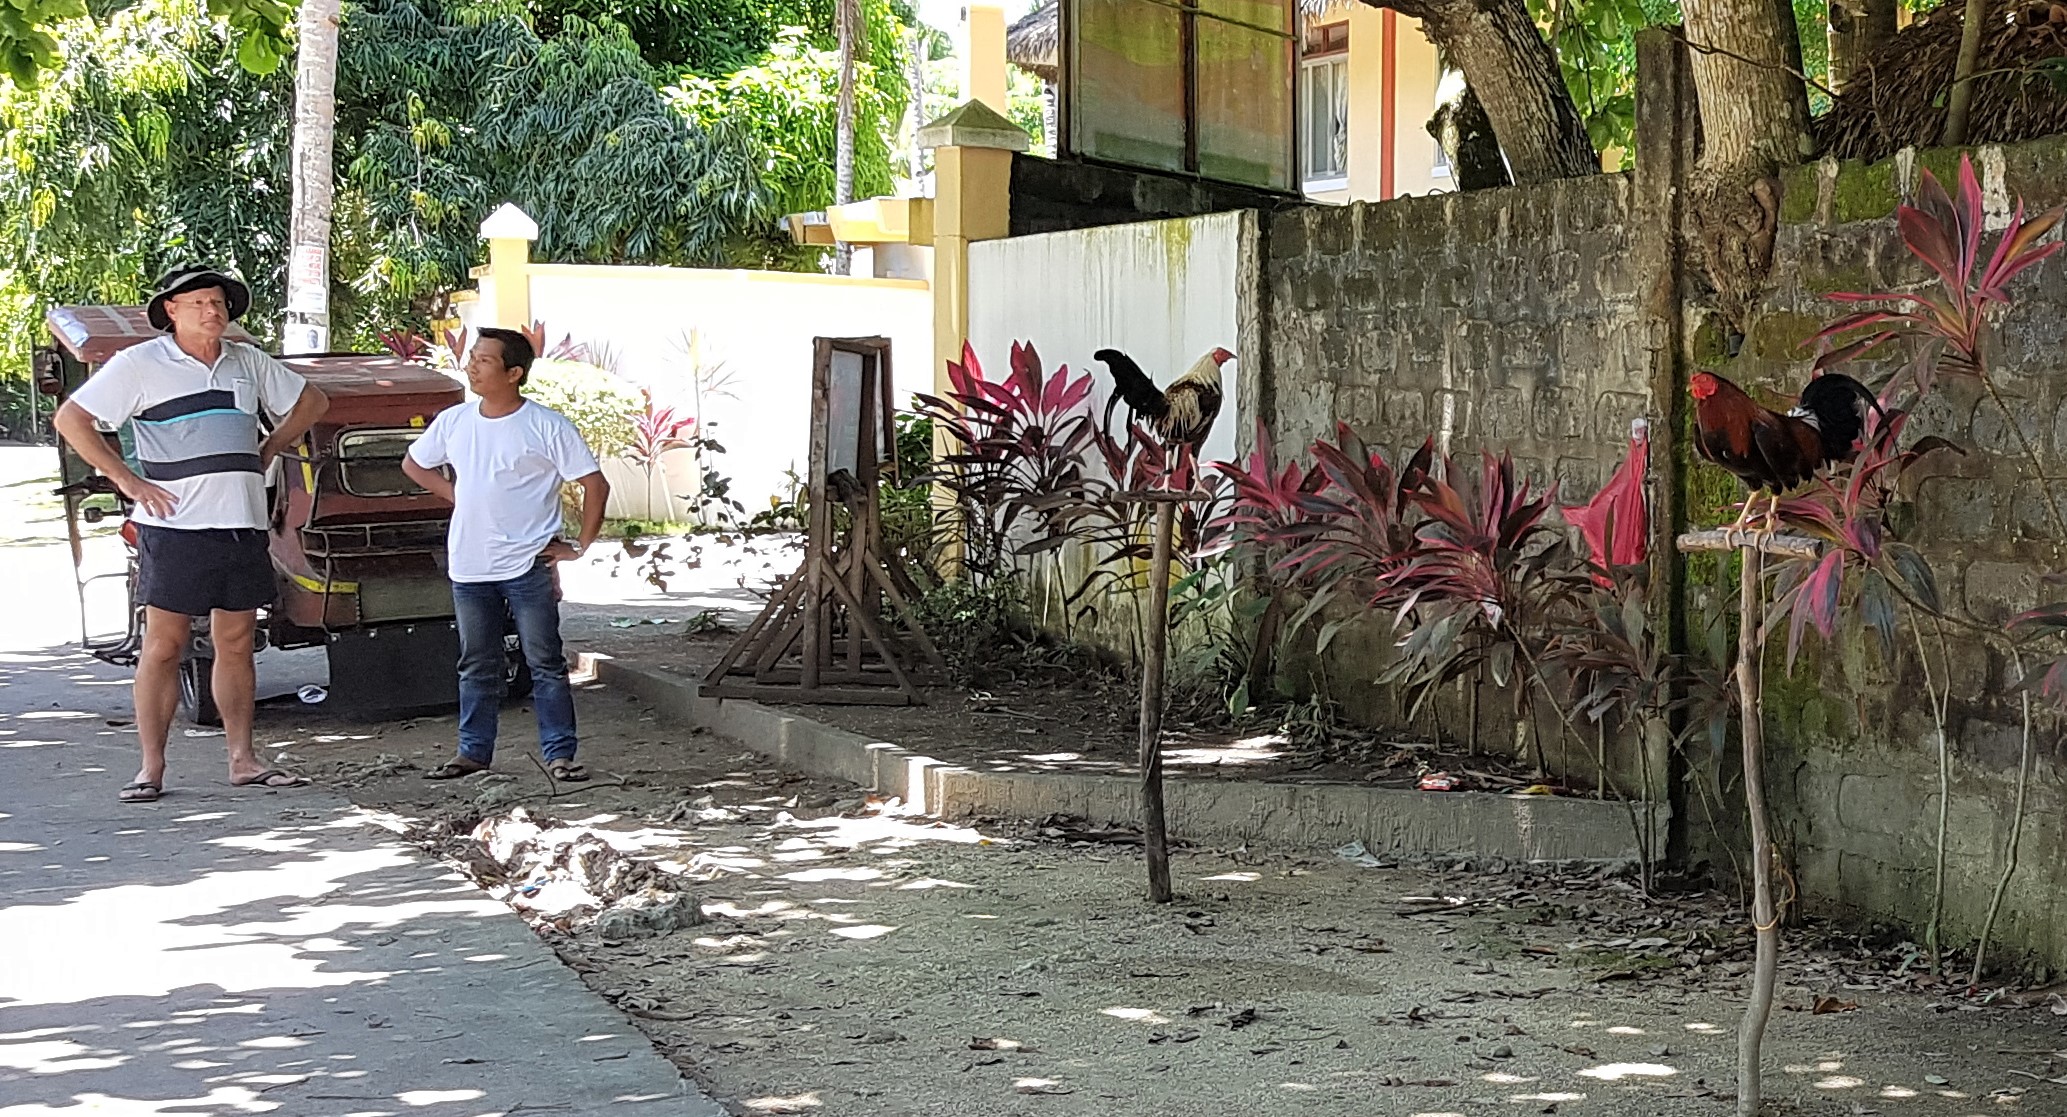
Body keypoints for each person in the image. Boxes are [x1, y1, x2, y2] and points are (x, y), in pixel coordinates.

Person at [52, 267, 331, 802]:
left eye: (219, 301)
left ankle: (242, 759)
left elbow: (312, 402)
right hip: (175, 528)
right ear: (171, 311)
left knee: (236, 643)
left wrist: (269, 447)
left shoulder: (246, 361)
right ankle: (150, 768)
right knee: (163, 645)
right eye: (199, 301)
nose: (212, 310)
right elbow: (73, 419)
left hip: (242, 523)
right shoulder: (139, 364)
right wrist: (127, 479)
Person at [402, 327, 608, 782]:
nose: (473, 364)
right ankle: (472, 753)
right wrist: (456, 495)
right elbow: (414, 462)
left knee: (545, 661)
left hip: (528, 564)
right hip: (469, 564)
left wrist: (580, 546)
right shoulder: (454, 421)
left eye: (485, 359)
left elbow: (594, 484)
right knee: (476, 662)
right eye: (473, 356)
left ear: (514, 373)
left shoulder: (546, 425)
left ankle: (560, 754)